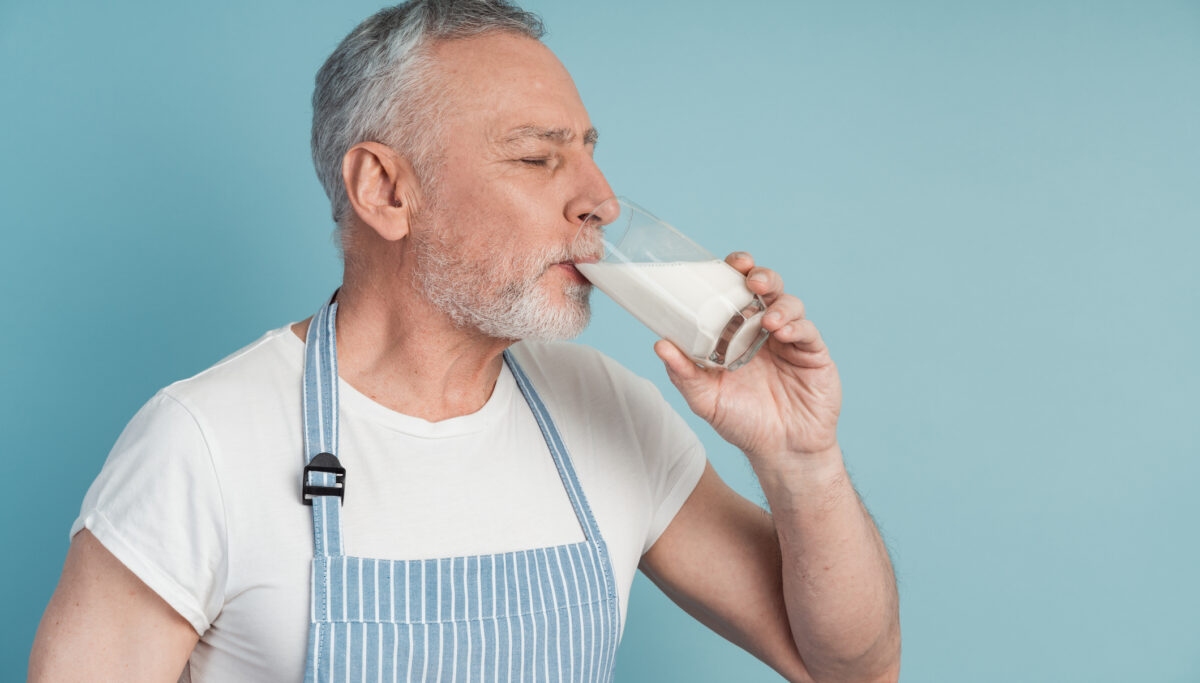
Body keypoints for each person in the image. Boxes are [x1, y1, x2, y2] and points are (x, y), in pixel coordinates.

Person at [29, 1, 901, 681]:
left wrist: (802, 457)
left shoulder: (606, 410)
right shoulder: (204, 443)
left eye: (590, 153)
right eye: (537, 158)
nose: (598, 197)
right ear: (385, 190)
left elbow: (847, 664)